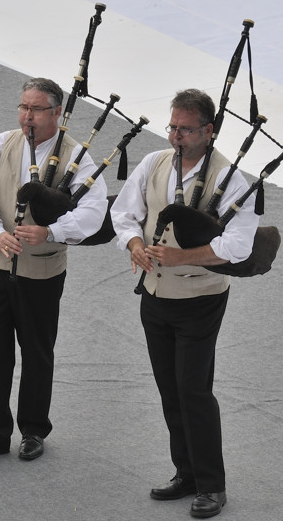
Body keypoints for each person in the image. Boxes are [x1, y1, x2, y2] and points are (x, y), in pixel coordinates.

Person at [111, 89, 257, 519]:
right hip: (154, 293)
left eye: (186, 129)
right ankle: (186, 472)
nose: (175, 135)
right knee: (169, 389)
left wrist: (182, 257)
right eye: (172, 126)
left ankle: (212, 485)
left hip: (200, 297)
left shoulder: (232, 179)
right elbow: (124, 212)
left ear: (209, 131)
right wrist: (135, 243)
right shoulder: (153, 163)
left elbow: (239, 245)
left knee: (193, 389)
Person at [0, 77, 107, 460]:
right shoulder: (1, 145)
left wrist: (51, 231)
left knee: (37, 351)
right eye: (23, 107)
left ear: (57, 113)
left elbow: (93, 213)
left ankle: (34, 430)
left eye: (36, 109)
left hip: (42, 271)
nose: (27, 116)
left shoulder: (77, 156)